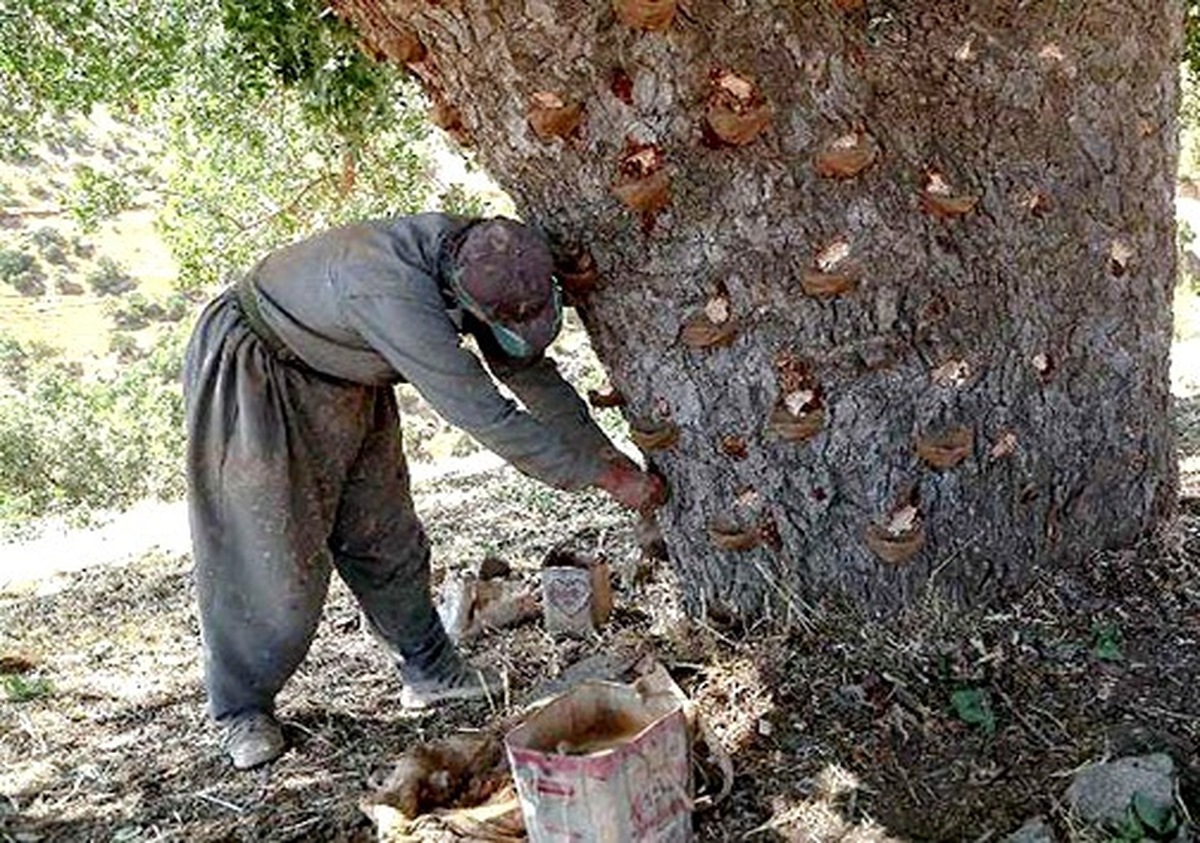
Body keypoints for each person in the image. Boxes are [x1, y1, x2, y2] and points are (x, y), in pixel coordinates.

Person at [182, 214, 666, 770]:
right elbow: (486, 413)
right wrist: (599, 479)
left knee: (386, 534)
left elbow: (530, 373)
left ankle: (430, 669)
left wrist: (607, 458)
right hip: (263, 368)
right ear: (454, 288)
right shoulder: (392, 290)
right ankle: (240, 709)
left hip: (348, 368)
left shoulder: (496, 255)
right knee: (271, 555)